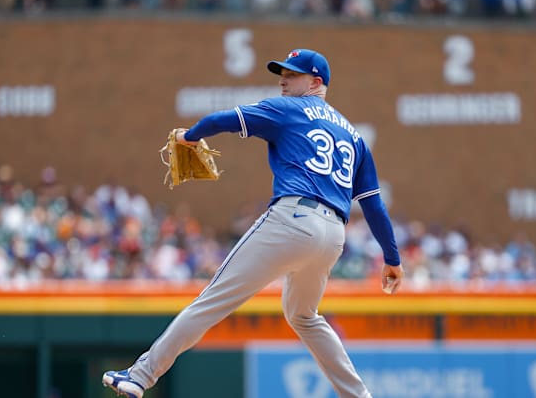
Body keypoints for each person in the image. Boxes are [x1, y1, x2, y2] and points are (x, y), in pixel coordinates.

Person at [102, 48, 404, 398]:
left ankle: (140, 376)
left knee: (212, 300)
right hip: (333, 235)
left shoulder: (290, 109)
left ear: (316, 82)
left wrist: (191, 136)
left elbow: (223, 120)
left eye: (292, 74)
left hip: (292, 220)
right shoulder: (354, 136)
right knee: (305, 318)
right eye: (283, 73)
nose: (283, 80)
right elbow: (373, 205)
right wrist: (392, 258)